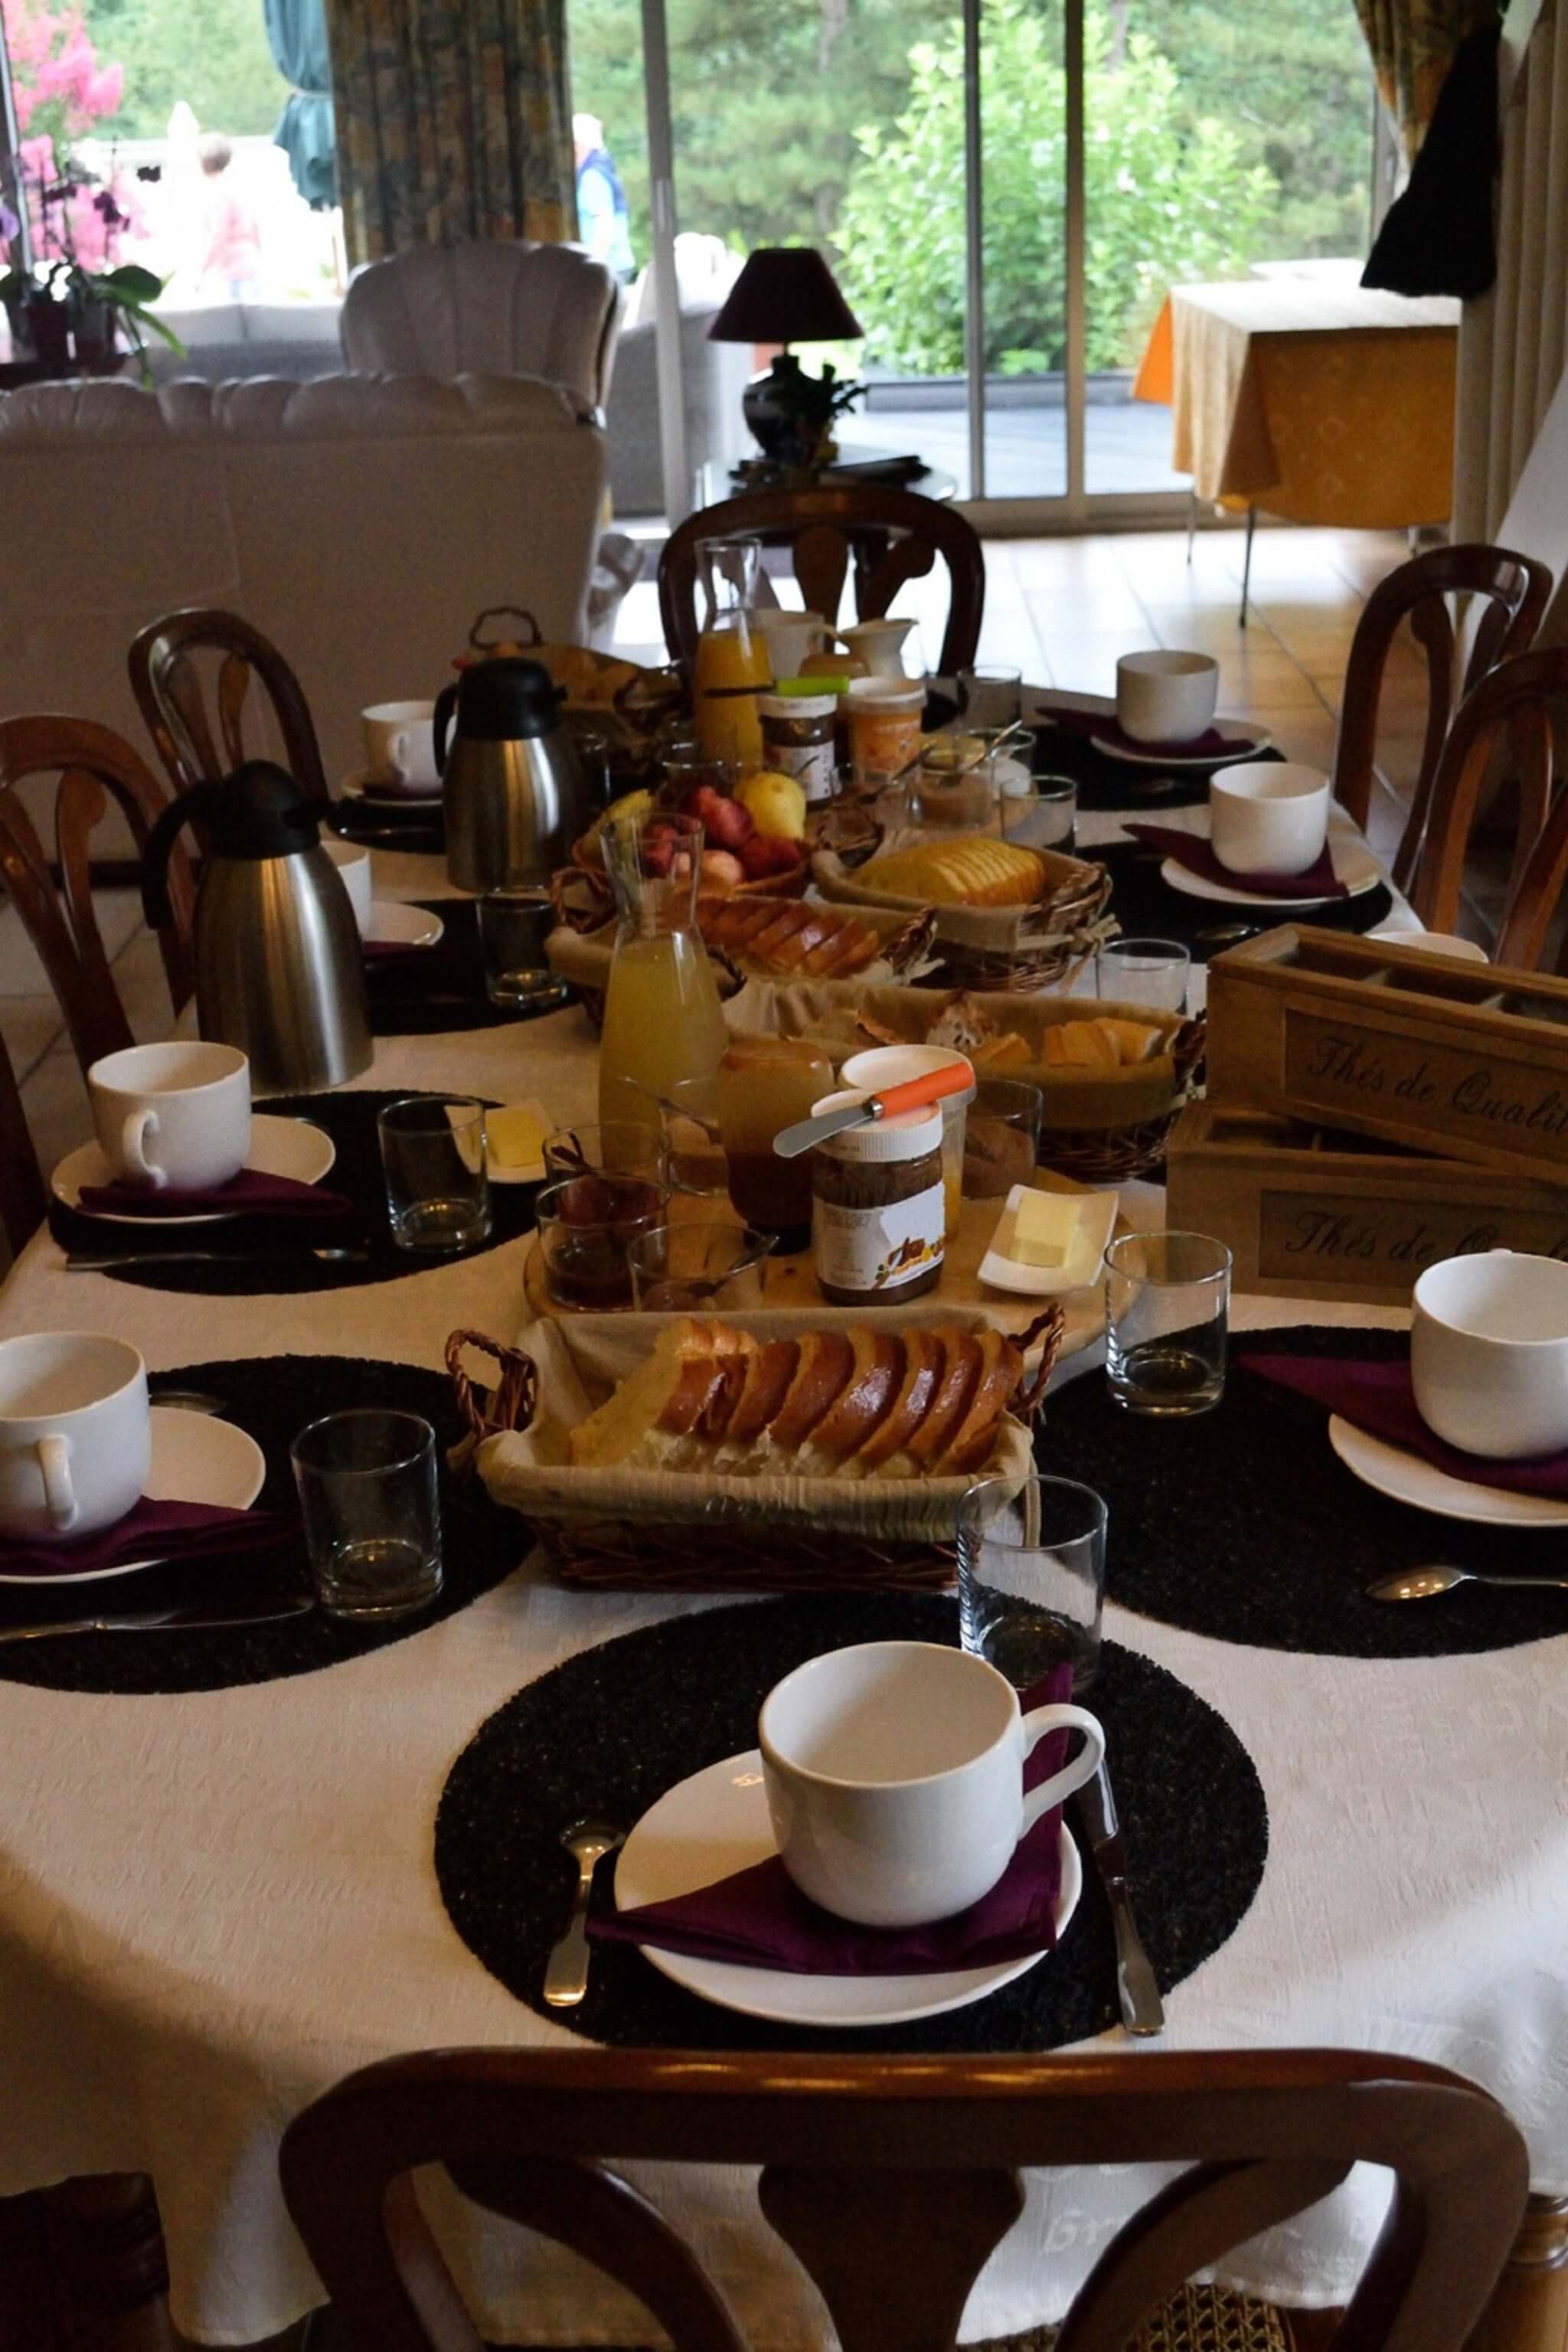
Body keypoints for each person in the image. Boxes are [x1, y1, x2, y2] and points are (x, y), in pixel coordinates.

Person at [196, 132, 263, 302]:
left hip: (234, 272)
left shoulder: (217, 193)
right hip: (250, 264)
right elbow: (255, 229)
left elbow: (219, 235)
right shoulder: (236, 186)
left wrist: (201, 270)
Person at [573, 113, 634, 282]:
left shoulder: (592, 177)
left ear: (579, 146)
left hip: (608, 266)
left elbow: (603, 224)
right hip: (611, 265)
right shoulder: (600, 170)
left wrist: (593, 266)